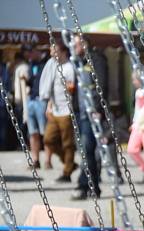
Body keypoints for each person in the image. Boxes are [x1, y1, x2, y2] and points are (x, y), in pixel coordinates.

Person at [72, 36, 108, 201]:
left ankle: (86, 184)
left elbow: (102, 85)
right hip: (81, 112)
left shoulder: (96, 60)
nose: (74, 47)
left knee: (88, 149)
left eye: (77, 44)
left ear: (85, 45)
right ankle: (90, 185)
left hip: (92, 112)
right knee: (85, 150)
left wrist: (99, 108)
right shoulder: (77, 62)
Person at [40, 42, 76, 183]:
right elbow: (50, 89)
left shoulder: (69, 67)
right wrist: (49, 106)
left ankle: (67, 172)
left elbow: (72, 87)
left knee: (67, 143)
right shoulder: (53, 66)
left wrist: (69, 86)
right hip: (55, 110)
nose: (51, 53)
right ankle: (69, 163)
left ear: (62, 51)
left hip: (67, 110)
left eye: (53, 50)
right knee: (48, 139)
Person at [23, 45, 49, 169]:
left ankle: (48, 160)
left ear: (36, 51)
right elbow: (31, 80)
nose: (29, 56)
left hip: (42, 99)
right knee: (33, 132)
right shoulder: (31, 64)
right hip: (31, 99)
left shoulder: (47, 63)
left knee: (46, 132)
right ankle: (36, 159)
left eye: (30, 52)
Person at [12, 50, 30, 140]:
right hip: (21, 99)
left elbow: (23, 85)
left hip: (22, 100)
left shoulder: (22, 67)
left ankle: (23, 141)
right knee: (21, 122)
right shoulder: (21, 67)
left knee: (22, 122)